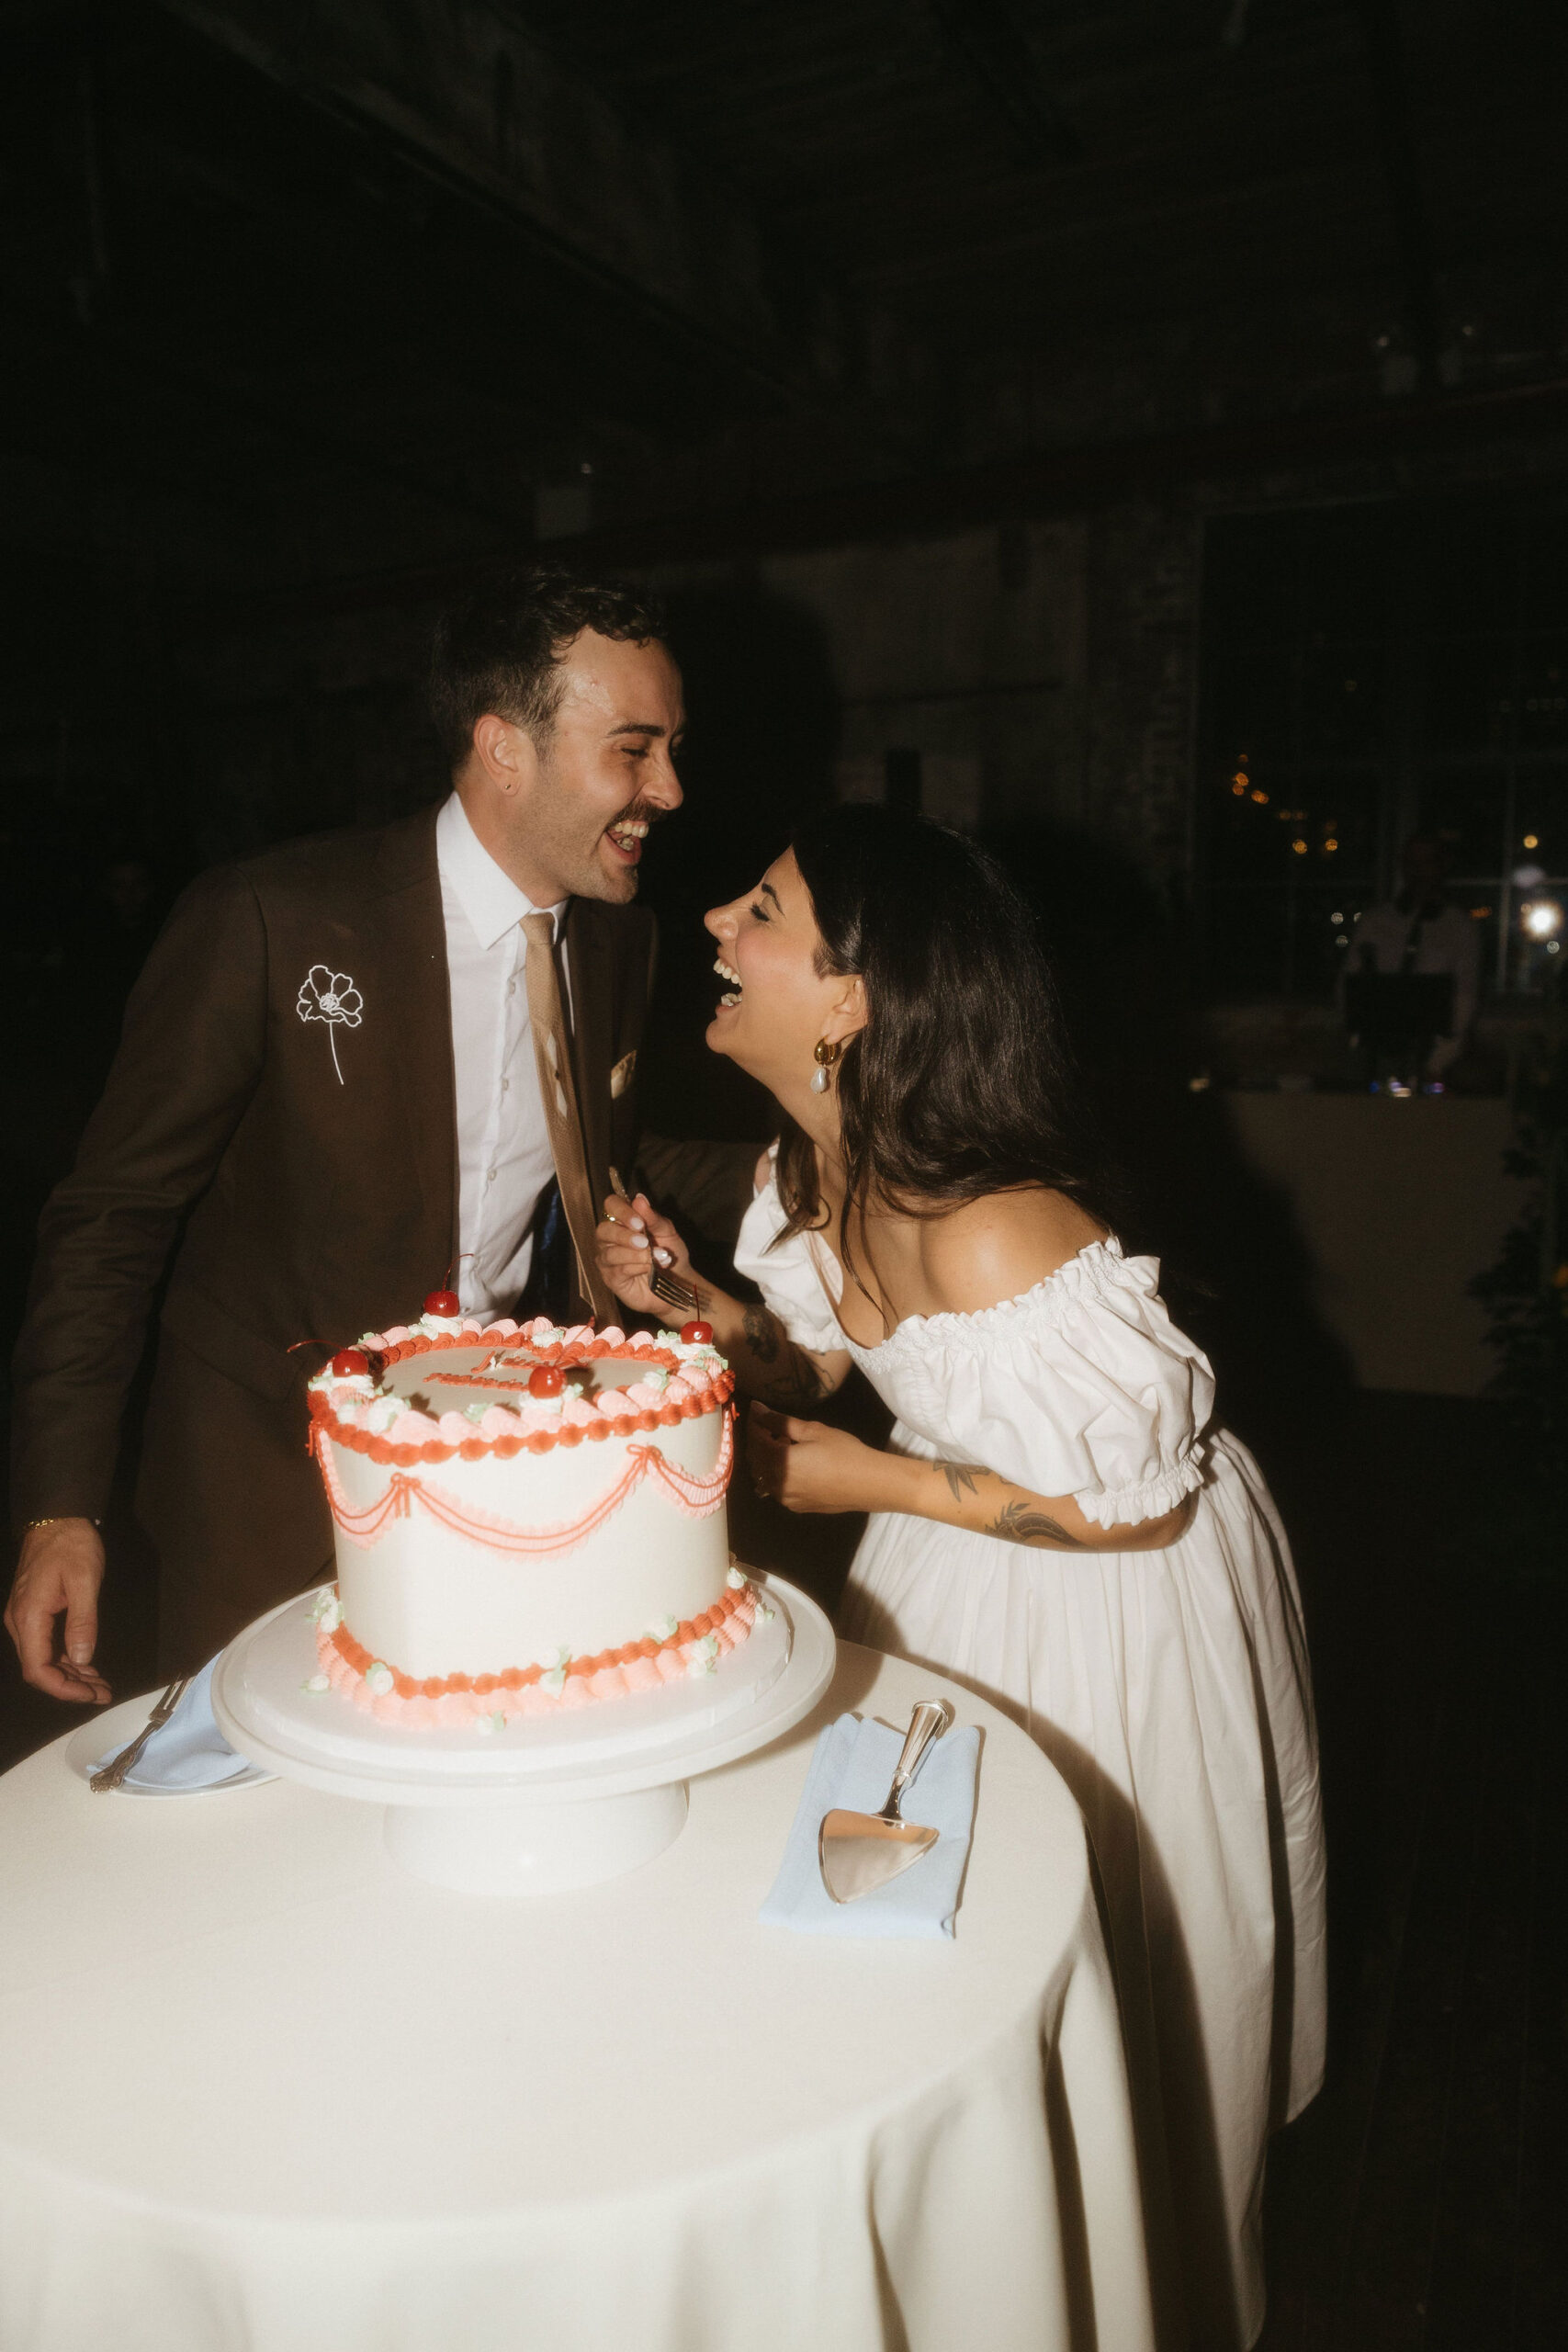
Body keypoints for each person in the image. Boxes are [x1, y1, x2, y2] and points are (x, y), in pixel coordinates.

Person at [596, 808, 1326, 2352]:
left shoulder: (995, 1232)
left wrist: (865, 1481)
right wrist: (699, 1305)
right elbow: (829, 1362)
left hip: (1108, 1599)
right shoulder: (823, 1167)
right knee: (903, 1916)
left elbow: (1129, 1505)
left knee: (1073, 1949)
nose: (718, 920)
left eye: (766, 908)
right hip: (959, 1542)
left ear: (851, 1001)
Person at [6, 567, 752, 1701]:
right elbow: (112, 1218)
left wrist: (834, 1173)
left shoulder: (618, 945)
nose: (672, 788)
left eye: (673, 748)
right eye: (635, 750)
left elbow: (601, 1164)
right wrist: (62, 1504)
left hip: (487, 1486)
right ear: (506, 749)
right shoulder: (270, 919)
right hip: (257, 1504)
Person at [1347, 831, 1480, 1082]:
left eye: (1426, 863)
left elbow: (1464, 997)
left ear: (1443, 866)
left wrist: (1436, 1065)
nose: (1418, 873)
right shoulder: (1375, 923)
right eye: (1411, 864)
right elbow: (1350, 987)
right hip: (1376, 1055)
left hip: (1433, 1057)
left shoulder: (1459, 927)